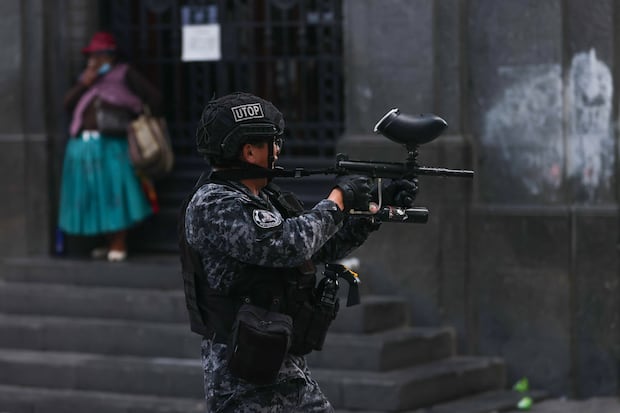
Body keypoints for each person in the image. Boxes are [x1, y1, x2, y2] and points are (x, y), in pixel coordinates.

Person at [178, 92, 417, 412]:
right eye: (271, 142)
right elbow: (289, 245)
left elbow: (320, 247)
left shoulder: (265, 198)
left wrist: (375, 208)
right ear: (249, 151)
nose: (278, 150)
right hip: (243, 377)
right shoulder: (214, 202)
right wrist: (338, 199)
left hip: (276, 361)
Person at [58, 31, 163, 262]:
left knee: (115, 194)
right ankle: (106, 242)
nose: (97, 60)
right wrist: (84, 83)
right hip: (84, 146)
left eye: (102, 55)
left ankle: (119, 242)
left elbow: (154, 98)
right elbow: (67, 104)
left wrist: (133, 113)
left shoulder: (125, 74)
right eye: (93, 55)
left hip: (112, 145)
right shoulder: (88, 81)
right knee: (94, 197)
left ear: (112, 56)